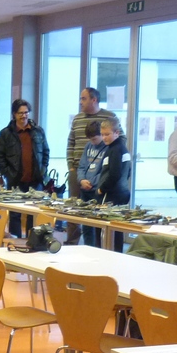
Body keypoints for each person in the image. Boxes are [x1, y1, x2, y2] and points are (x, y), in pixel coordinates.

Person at [0, 98, 50, 237]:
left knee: (34, 213)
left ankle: (32, 240)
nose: (24, 115)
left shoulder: (38, 131)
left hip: (35, 180)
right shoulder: (6, 133)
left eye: (26, 112)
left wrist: (43, 170)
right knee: (15, 214)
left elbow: (46, 152)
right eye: (20, 113)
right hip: (15, 180)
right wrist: (7, 173)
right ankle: (15, 241)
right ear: (14, 114)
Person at [67, 87, 115, 244]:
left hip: (99, 176)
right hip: (79, 170)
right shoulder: (77, 119)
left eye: (83, 98)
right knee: (74, 210)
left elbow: (119, 140)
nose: (80, 102)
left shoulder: (109, 117)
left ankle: (98, 246)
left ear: (94, 100)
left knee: (95, 216)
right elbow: (70, 142)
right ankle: (72, 243)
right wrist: (71, 167)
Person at [96, 115, 132, 252]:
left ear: (116, 133)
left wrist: (102, 189)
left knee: (107, 229)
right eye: (102, 134)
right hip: (122, 193)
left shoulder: (115, 150)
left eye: (107, 134)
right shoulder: (121, 148)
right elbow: (127, 173)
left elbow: (115, 174)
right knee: (117, 229)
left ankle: (106, 254)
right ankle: (116, 253)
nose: (104, 138)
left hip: (111, 195)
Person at [77, 120, 105, 247]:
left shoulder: (107, 148)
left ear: (101, 135)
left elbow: (105, 172)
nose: (92, 142)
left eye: (94, 139)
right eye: (90, 139)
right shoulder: (88, 146)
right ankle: (87, 246)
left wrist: (92, 182)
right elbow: (81, 166)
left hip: (97, 190)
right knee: (86, 224)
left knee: (98, 224)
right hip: (85, 189)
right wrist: (81, 180)